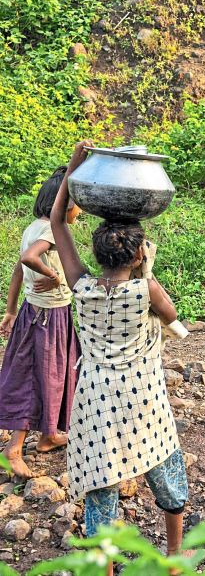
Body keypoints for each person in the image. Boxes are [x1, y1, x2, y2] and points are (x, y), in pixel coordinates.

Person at [49, 142, 189, 558]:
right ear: (140, 252)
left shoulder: (82, 287)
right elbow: (172, 315)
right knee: (166, 473)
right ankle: (177, 557)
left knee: (101, 485)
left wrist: (74, 169)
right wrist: (147, 269)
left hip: (94, 397)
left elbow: (58, 221)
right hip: (142, 397)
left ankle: (103, 568)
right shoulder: (147, 288)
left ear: (96, 253)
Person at [0, 167, 81, 478]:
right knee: (38, 377)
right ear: (60, 206)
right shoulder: (50, 231)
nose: (79, 209)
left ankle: (49, 435)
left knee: (56, 373)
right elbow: (28, 260)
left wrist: (9, 310)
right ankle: (14, 449)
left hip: (33, 311)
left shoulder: (32, 227)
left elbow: (18, 271)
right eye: (75, 202)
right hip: (48, 317)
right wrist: (53, 275)